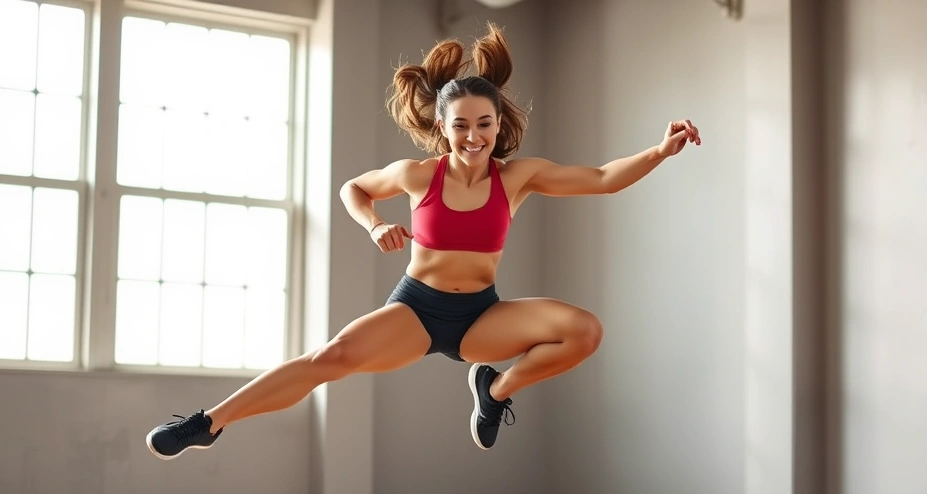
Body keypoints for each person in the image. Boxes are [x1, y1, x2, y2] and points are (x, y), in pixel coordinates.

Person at [145, 22, 701, 460]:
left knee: (584, 331)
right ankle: (207, 423)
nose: (474, 136)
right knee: (330, 358)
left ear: (497, 124)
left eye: (484, 124)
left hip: (480, 318)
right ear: (442, 128)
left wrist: (658, 152)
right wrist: (374, 225)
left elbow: (602, 180)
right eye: (460, 125)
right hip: (416, 309)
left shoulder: (517, 176)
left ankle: (495, 390)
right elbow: (353, 189)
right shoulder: (416, 175)